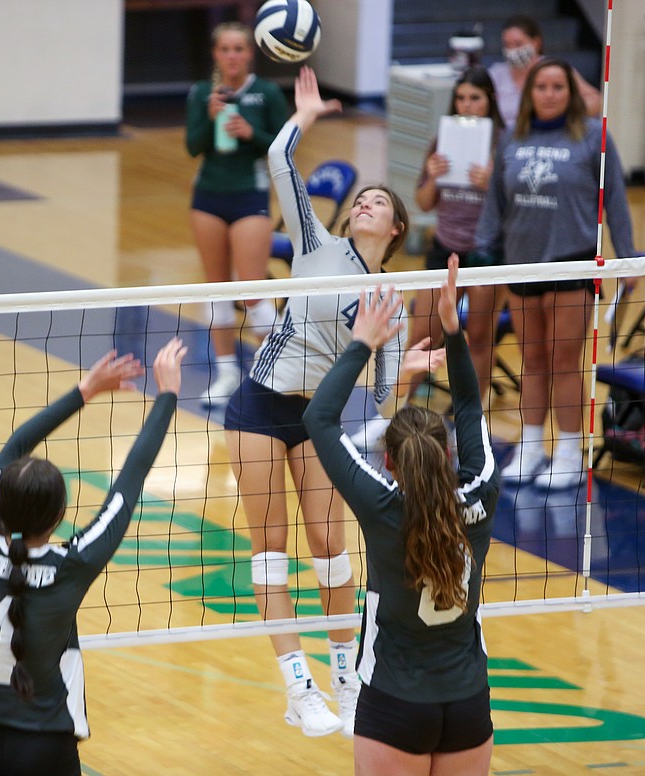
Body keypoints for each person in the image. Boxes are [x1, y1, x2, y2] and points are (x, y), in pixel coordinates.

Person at [225, 66, 436, 738]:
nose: (367, 202)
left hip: (318, 419)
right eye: (362, 198)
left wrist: (410, 369)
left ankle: (348, 681)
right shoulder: (317, 244)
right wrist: (307, 115)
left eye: (380, 201)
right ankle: (299, 688)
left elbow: (378, 397)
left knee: (330, 546)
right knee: (272, 549)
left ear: (397, 227)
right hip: (259, 405)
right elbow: (277, 158)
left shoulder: (391, 303)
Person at [0, 339, 185, 776]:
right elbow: (128, 484)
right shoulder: (70, 567)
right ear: (59, 517)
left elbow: (15, 445)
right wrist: (167, 394)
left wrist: (84, 390)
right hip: (43, 746)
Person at [302, 258, 498, 776]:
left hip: (394, 703)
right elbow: (472, 407)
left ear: (389, 461)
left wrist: (363, 342)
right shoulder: (481, 493)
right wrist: (454, 335)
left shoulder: (383, 505)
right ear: (448, 453)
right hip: (468, 705)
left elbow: (318, 418)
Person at [474, 58, 636, 489]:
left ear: (570, 93)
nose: (549, 94)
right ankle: (529, 448)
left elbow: (615, 200)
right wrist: (481, 251)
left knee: (564, 361)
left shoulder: (593, 139)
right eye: (541, 87)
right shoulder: (510, 138)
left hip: (573, 262)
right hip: (521, 265)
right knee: (533, 361)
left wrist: (629, 258)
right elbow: (494, 204)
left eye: (557, 87)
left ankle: (567, 450)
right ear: (530, 94)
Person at [185, 21, 289, 406]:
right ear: (216, 55)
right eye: (225, 49)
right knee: (217, 289)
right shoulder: (201, 93)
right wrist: (210, 117)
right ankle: (227, 371)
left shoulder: (268, 93)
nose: (232, 56)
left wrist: (252, 134)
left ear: (250, 53)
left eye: (239, 49)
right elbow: (192, 147)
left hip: (251, 196)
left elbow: (284, 146)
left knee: (251, 290)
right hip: (208, 197)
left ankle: (271, 369)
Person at [409, 66, 505, 405]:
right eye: (461, 98)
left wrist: (491, 185)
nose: (466, 105)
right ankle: (401, 404)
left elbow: (515, 208)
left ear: (490, 100)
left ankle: (470, 411)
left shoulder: (504, 143)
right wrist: (433, 177)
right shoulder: (442, 140)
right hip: (443, 249)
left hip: (486, 255)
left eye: (474, 98)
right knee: (423, 333)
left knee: (479, 336)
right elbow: (423, 201)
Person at [487, 14, 601, 129]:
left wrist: (562, 116)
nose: (512, 50)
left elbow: (595, 100)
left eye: (518, 44)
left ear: (536, 42)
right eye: (507, 45)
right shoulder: (496, 73)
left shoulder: (555, 70)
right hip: (508, 140)